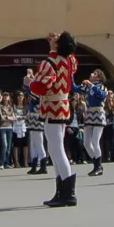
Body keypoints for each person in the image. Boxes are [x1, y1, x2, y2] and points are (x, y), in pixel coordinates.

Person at [30, 31, 79, 208]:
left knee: (56, 149)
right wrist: (56, 45)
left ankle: (68, 192)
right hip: (63, 105)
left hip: (52, 107)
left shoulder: (49, 63)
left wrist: (30, 83)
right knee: (54, 148)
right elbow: (69, 56)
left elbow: (41, 87)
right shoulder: (69, 60)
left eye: (56, 39)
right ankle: (61, 191)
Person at [78, 70, 110, 176]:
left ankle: (98, 165)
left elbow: (101, 95)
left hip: (98, 113)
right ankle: (97, 164)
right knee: (86, 142)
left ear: (99, 78)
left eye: (95, 74)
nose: (92, 74)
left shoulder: (101, 87)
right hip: (89, 114)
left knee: (95, 141)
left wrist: (91, 85)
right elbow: (75, 88)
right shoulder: (87, 87)